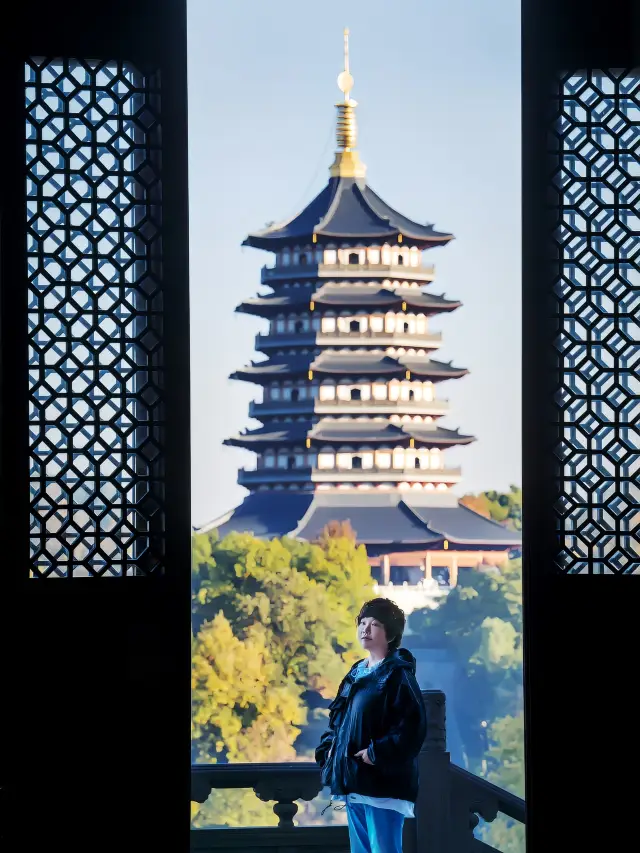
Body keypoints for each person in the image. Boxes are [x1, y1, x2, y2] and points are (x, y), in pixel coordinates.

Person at [315, 597, 426, 853]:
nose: (365, 629)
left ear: (390, 634)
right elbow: (338, 719)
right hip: (354, 780)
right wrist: (328, 751)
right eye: (362, 622)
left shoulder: (398, 674)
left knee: (384, 850)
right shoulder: (357, 671)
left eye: (375, 624)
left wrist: (376, 754)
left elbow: (413, 726)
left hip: (382, 782)